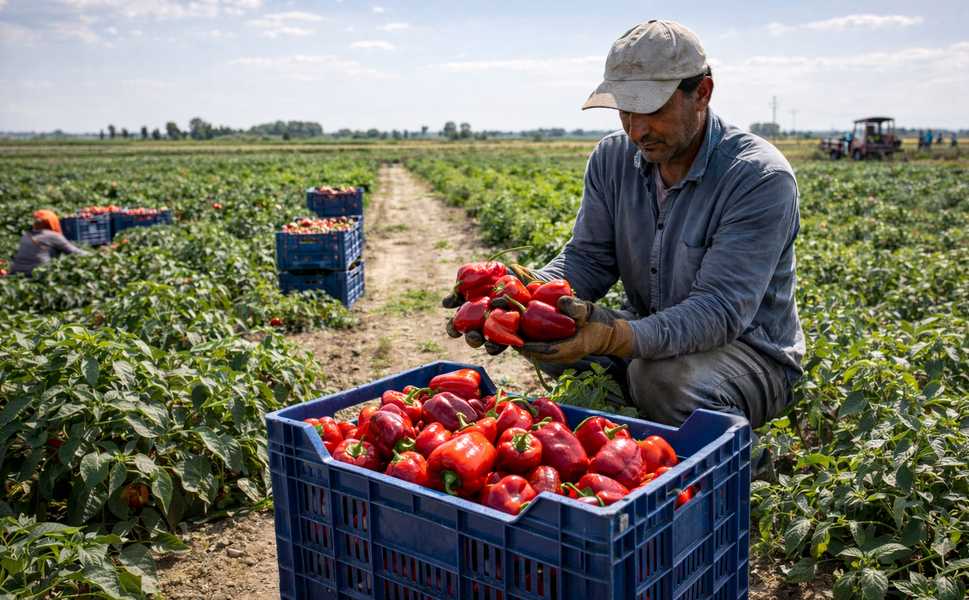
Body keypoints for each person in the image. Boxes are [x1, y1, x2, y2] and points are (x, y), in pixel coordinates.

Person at [444, 20, 803, 474]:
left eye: (650, 109)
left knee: (661, 377)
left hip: (751, 355)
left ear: (703, 92)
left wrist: (617, 336)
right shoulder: (612, 158)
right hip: (657, 329)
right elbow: (588, 259)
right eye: (624, 111)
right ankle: (644, 445)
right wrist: (522, 292)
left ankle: (749, 469)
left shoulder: (757, 178)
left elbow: (719, 312)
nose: (636, 129)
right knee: (548, 334)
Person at [9, 209, 89, 275]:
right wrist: (94, 254)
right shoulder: (54, 236)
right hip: (39, 274)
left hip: (17, 273)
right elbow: (75, 252)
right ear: (52, 222)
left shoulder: (25, 235)